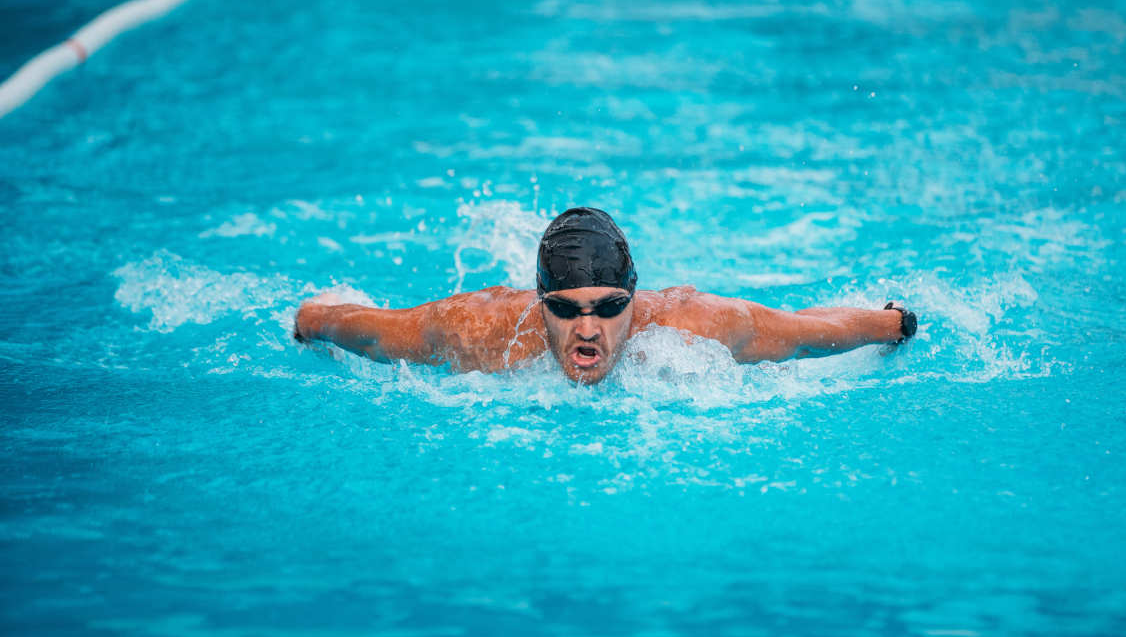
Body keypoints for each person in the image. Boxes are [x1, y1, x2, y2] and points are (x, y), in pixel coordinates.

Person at [293, 207, 917, 384]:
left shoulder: (690, 328)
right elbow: (374, 329)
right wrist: (314, 319)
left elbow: (806, 332)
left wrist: (891, 323)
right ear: (540, 305)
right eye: (565, 309)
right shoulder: (477, 331)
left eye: (607, 307)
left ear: (633, 300)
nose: (587, 328)